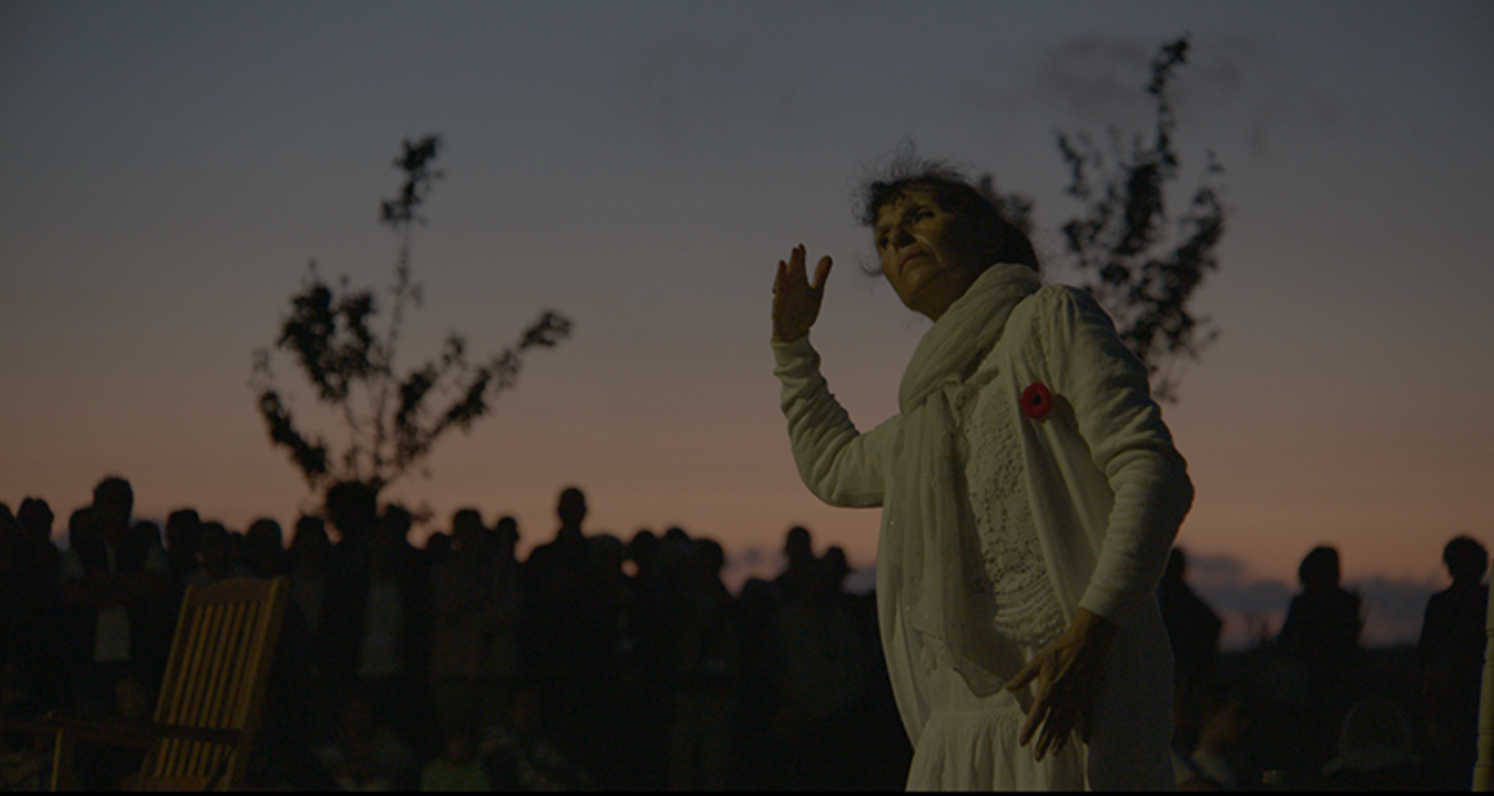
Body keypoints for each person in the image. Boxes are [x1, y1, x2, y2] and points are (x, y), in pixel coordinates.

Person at [769, 158, 1193, 789]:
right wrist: (792, 348)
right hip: (957, 729)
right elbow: (833, 467)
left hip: (1072, 706)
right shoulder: (927, 416)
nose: (899, 239)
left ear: (989, 233)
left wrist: (1091, 630)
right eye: (884, 238)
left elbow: (1152, 471)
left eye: (920, 216)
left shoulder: (1048, 320)